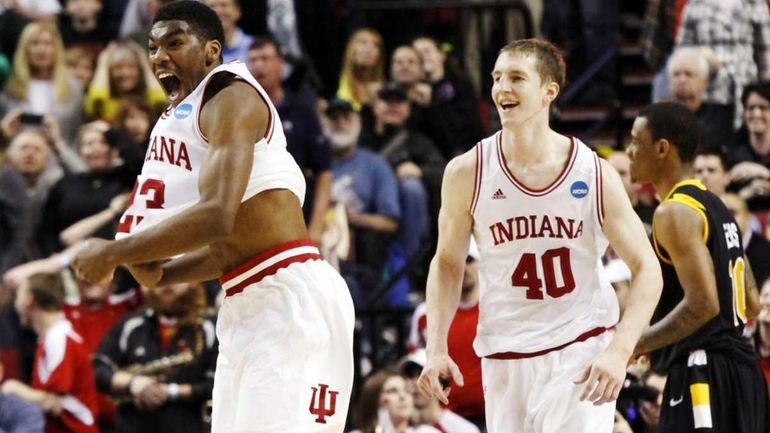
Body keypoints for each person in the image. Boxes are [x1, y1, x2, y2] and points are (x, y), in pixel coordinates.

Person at [71, 2, 355, 432]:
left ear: (210, 50)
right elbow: (231, 247)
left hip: (293, 297)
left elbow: (218, 216)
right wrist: (164, 275)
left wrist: (114, 252)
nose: (160, 56)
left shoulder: (232, 96)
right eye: (153, 47)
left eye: (175, 43)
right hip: (243, 295)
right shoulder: (180, 119)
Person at [417, 39, 663, 433]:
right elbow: (447, 263)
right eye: (497, 77)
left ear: (549, 91)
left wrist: (619, 351)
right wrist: (435, 349)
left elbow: (647, 268)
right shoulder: (467, 172)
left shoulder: (593, 173)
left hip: (579, 345)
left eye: (517, 78)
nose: (502, 88)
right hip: (504, 352)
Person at [628, 102, 769, 432]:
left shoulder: (673, 212)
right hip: (744, 374)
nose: (630, 151)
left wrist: (637, 343)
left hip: (703, 372)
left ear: (662, 148)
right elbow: (748, 301)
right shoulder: (716, 205)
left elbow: (703, 304)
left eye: (636, 141)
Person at [4, 272, 99, 433]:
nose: (15, 304)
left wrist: (14, 388)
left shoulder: (59, 338)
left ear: (29, 299)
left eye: (18, 296)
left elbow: (53, 403)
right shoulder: (50, 338)